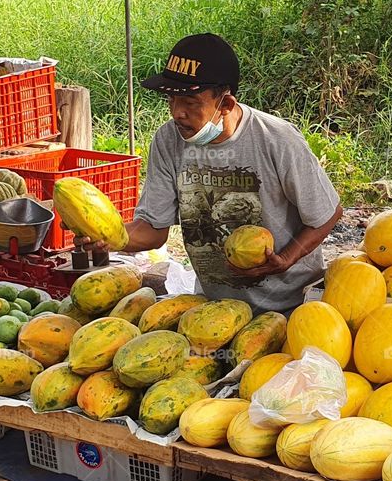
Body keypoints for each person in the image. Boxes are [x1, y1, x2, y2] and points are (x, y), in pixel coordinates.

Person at [112, 33, 342, 314]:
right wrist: (108, 236)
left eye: (191, 103)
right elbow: (153, 231)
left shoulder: (277, 139)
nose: (177, 113)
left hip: (290, 308)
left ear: (226, 104)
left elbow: (327, 213)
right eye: (171, 100)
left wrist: (286, 258)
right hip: (216, 309)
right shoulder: (168, 140)